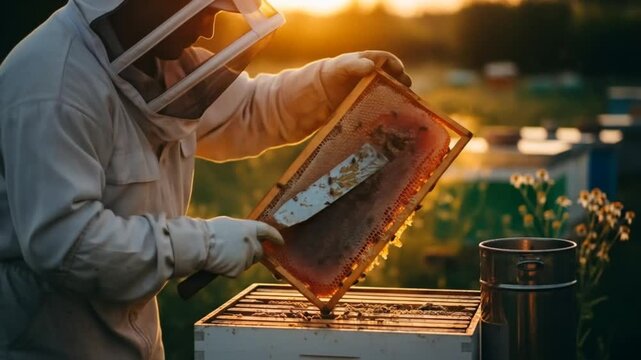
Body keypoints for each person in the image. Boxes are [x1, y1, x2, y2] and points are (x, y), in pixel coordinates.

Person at [0, 0, 411, 358]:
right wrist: (207, 244)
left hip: (134, 335)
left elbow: (249, 110)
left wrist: (327, 84)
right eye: (205, 8)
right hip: (48, 342)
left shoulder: (162, 58)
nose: (210, 27)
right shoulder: (51, 84)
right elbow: (67, 245)